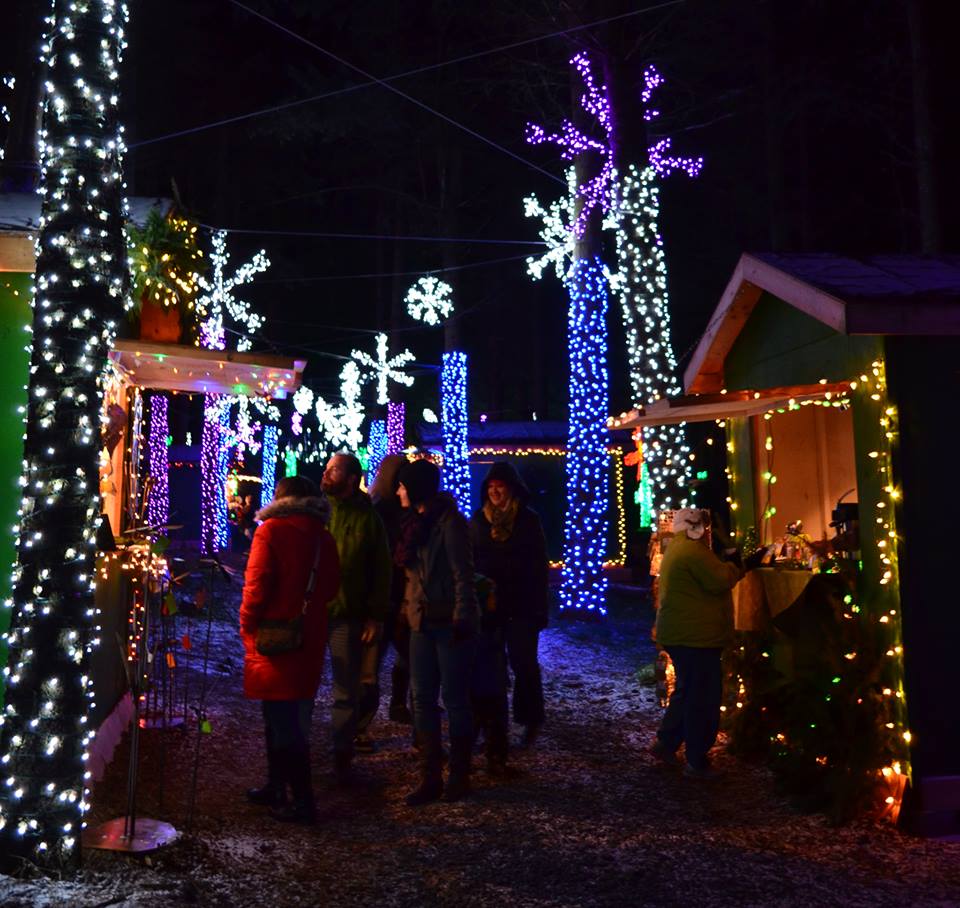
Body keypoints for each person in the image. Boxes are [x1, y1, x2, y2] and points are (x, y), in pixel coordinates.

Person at [239, 475, 340, 824]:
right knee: (288, 714)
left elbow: (256, 586)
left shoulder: (271, 532)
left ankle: (300, 800)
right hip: (308, 635)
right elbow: (330, 587)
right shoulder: (323, 537)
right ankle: (278, 786)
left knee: (281, 719)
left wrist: (246, 624)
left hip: (274, 634)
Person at [651, 508, 763, 778]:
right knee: (702, 696)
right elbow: (720, 580)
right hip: (696, 636)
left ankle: (667, 743)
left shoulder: (679, 549)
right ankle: (696, 759)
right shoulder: (693, 552)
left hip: (681, 633)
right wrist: (741, 565)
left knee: (687, 692)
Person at [396, 458, 480, 805]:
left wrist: (462, 618)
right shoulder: (415, 524)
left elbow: (464, 575)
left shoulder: (450, 525)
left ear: (416, 487)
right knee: (422, 699)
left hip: (447, 624)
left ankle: (459, 775)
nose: (398, 490)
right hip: (420, 623)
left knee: (456, 699)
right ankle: (430, 776)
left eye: (403, 485)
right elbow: (412, 576)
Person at [321, 452, 391, 783]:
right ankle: (298, 752)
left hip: (348, 614)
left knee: (345, 689)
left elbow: (381, 570)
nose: (326, 473)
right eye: (326, 468)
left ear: (351, 479)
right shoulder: (318, 510)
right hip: (314, 611)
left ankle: (341, 754)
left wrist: (374, 616)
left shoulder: (369, 518)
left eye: (333, 470)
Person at [471, 462, 550, 752]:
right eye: (490, 486)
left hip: (522, 605)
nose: (494, 491)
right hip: (489, 607)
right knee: (489, 668)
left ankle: (530, 719)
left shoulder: (528, 521)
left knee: (524, 664)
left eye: (499, 486)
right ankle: (489, 726)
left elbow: (539, 565)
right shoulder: (479, 521)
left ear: (511, 488)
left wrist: (540, 608)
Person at [367, 454, 413, 728]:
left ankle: (396, 702)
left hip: (396, 588)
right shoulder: (384, 510)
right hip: (389, 589)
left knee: (402, 652)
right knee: (382, 656)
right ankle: (391, 705)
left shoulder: (391, 508)